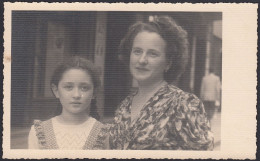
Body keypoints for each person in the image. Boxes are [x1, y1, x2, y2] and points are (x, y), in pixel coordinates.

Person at [108, 16, 214, 150]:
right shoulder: (124, 107)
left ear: (168, 63)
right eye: (137, 51)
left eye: (152, 54)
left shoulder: (184, 104)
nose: (142, 60)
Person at [28, 56, 106, 149]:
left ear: (94, 92)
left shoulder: (104, 134)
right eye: (68, 87)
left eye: (84, 88)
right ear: (56, 90)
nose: (76, 95)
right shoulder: (39, 133)